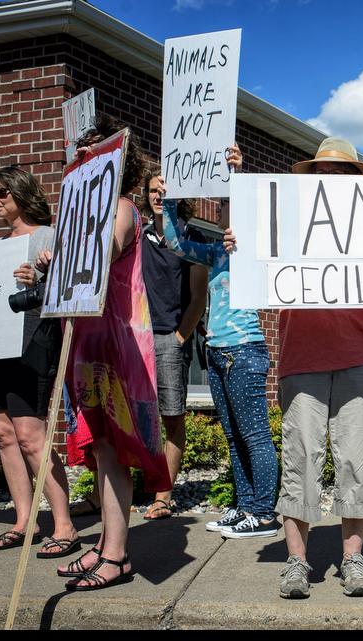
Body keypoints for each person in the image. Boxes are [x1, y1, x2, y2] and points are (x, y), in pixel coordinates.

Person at [224, 136, 363, 598]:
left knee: (357, 460)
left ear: (356, 181)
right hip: (304, 358)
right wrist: (239, 242)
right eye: (322, 172)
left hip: (361, 356)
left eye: (341, 173)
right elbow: (256, 249)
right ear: (309, 180)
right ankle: (297, 562)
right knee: (300, 459)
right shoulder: (287, 224)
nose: (330, 179)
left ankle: (353, 560)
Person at [43, 114, 172, 590]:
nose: (84, 159)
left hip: (115, 345)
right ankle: (104, 542)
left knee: (114, 450)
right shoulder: (83, 213)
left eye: (94, 152)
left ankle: (117, 555)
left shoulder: (119, 207)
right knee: (100, 448)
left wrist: (71, 252)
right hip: (89, 340)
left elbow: (113, 245)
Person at [162, 143, 279, 539]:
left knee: (255, 435)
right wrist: (169, 201)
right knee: (234, 435)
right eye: (224, 207)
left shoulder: (262, 250)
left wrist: (238, 172)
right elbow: (177, 244)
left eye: (231, 205)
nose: (224, 211)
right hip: (217, 353)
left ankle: (263, 514)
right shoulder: (214, 252)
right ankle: (245, 507)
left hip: (245, 351)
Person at [0, 167, 78, 559]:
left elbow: (72, 287)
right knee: (3, 432)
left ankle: (64, 524)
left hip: (29, 344)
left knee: (29, 435)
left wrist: (39, 279)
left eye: (1, 192)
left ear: (21, 192)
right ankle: (24, 522)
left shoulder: (47, 236)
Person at [137, 169, 209, 521]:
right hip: (136, 337)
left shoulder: (191, 238)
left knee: (171, 417)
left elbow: (198, 297)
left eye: (164, 190)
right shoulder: (138, 234)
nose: (157, 195)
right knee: (131, 416)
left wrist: (180, 337)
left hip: (168, 337)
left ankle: (164, 495)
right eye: (152, 189)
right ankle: (116, 489)